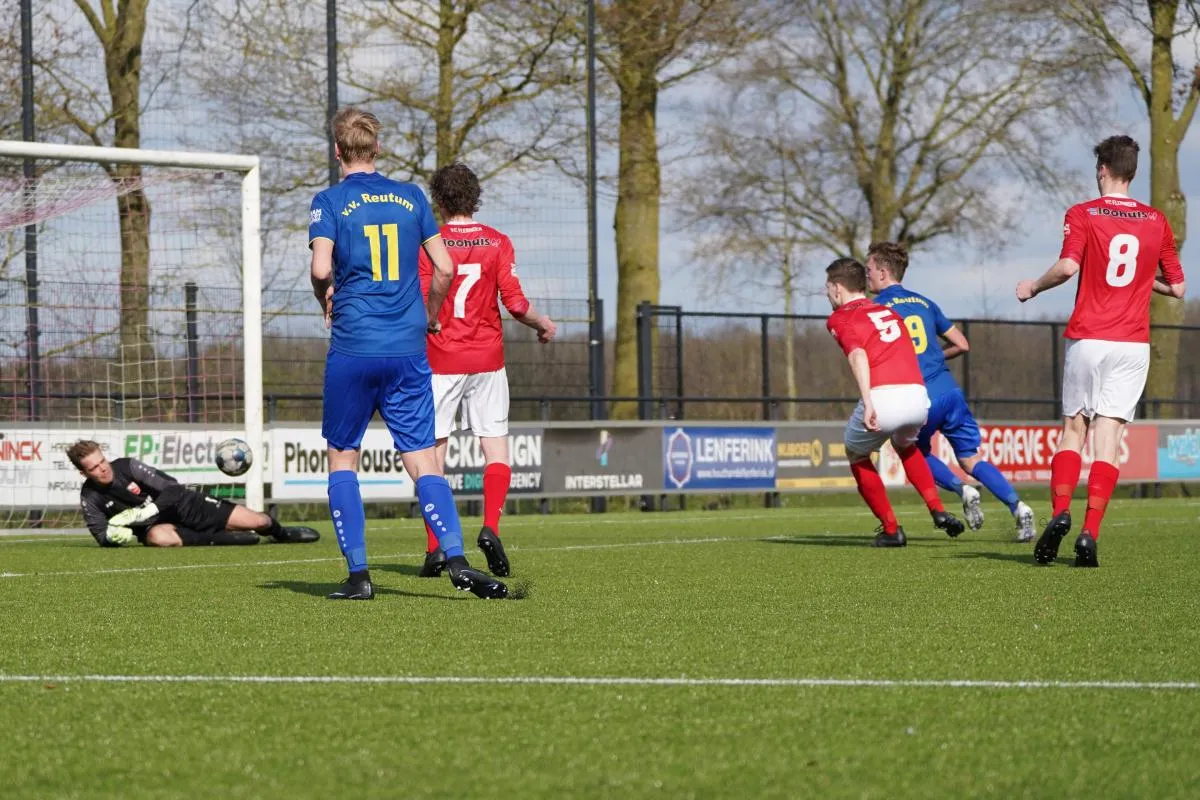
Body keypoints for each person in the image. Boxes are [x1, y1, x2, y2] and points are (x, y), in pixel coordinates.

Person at [309, 106, 506, 600]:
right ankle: (457, 560)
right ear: (377, 149)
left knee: (343, 457)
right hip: (407, 349)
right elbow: (444, 268)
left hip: (354, 346)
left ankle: (359, 576)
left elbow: (320, 269)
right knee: (423, 460)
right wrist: (430, 315)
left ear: (338, 151)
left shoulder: (329, 201)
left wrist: (325, 300)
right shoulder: (412, 196)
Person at [1016, 135, 1185, 567]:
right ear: (1133, 172)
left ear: (1103, 169)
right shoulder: (1157, 221)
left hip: (1090, 337)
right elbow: (1178, 288)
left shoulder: (1084, 213)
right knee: (1108, 441)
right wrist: (1145, 279)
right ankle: (1089, 534)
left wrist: (1033, 286)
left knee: (1074, 429)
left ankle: (1060, 513)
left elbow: (1068, 266)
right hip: (1133, 345)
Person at [415, 162, 557, 579]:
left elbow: (422, 299)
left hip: (440, 359)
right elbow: (515, 304)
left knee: (431, 457)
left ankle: (436, 548)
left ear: (438, 200)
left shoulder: (428, 243)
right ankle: (491, 527)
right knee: (495, 450)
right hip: (488, 360)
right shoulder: (497, 242)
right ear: (475, 198)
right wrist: (543, 324)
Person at [866, 241, 1036, 541]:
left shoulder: (876, 309)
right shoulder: (925, 303)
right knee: (971, 459)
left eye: (868, 270)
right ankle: (1018, 507)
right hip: (950, 392)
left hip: (920, 396)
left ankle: (962, 489)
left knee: (910, 450)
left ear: (882, 272)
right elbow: (962, 344)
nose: (866, 276)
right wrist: (933, 357)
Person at [824, 258, 966, 546]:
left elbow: (858, 355)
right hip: (917, 396)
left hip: (884, 396)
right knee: (905, 445)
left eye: (827, 288)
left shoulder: (840, 318)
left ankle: (891, 530)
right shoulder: (887, 311)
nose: (827, 295)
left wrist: (868, 401)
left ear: (837, 288)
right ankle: (937, 509)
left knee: (856, 454)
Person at [68, 440, 318, 548]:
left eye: (102, 461)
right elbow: (101, 534)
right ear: (83, 473)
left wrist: (145, 511)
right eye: (94, 468)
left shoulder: (127, 466)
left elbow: (174, 488)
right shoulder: (90, 496)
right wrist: (114, 536)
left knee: (260, 521)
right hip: (157, 527)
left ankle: (282, 534)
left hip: (187, 505)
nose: (103, 468)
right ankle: (220, 538)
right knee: (157, 538)